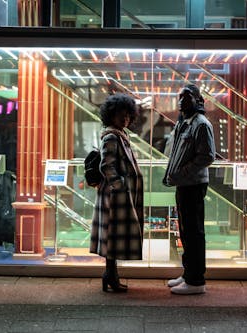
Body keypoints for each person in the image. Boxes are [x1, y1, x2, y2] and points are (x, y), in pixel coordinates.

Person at [163, 84, 216, 295]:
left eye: (186, 97)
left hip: (193, 185)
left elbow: (207, 156)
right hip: (183, 184)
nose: (181, 100)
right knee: (185, 232)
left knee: (193, 233)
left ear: (197, 100)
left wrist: (184, 171)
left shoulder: (201, 124)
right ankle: (188, 274)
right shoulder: (184, 124)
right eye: (180, 96)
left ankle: (196, 281)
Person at [90, 93, 144, 293]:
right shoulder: (113, 136)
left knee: (114, 236)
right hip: (116, 196)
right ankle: (110, 275)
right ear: (111, 115)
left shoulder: (120, 135)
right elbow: (107, 166)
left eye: (128, 116)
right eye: (121, 115)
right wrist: (120, 186)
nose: (125, 119)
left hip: (118, 196)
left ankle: (111, 275)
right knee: (113, 236)